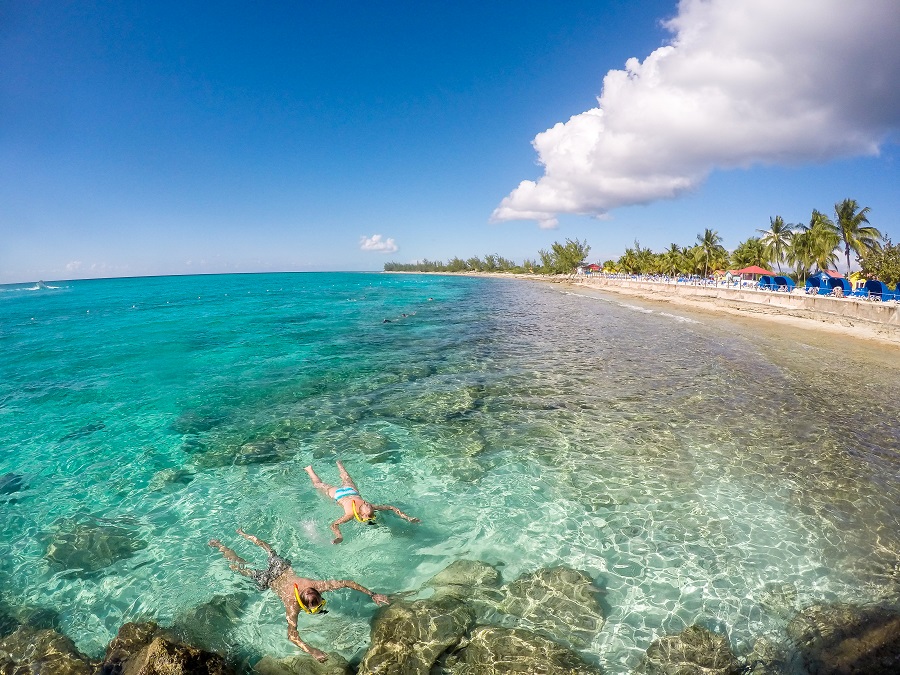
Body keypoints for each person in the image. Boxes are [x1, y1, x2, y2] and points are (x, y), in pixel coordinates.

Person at [208, 529, 389, 662]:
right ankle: (245, 534)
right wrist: (372, 594)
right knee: (268, 549)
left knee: (239, 566)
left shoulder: (292, 605)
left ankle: (220, 546)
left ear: (304, 605)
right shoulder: (317, 586)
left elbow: (292, 635)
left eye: (310, 600)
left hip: (267, 580)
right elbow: (347, 583)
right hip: (282, 568)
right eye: (315, 596)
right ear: (319, 594)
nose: (310, 594)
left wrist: (312, 651)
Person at [305, 461, 420, 544]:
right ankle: (339, 463)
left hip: (338, 495)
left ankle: (309, 469)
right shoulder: (371, 508)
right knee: (346, 477)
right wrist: (407, 517)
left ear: (363, 514)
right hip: (350, 492)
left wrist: (339, 536)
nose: (366, 502)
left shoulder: (350, 514)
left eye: (366, 505)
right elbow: (390, 507)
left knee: (319, 485)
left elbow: (334, 524)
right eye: (367, 503)